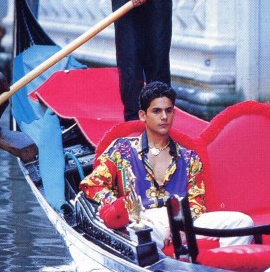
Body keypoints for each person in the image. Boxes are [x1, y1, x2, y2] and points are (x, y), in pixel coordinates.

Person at [80, 81, 253, 249]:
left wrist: (180, 222)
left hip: (181, 219)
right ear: (143, 115)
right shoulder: (121, 149)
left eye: (168, 111)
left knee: (242, 222)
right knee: (137, 232)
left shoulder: (189, 157)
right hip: (143, 219)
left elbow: (197, 203)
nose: (164, 117)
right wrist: (127, 209)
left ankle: (224, 268)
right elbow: (92, 184)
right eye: (156, 111)